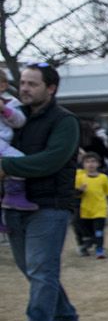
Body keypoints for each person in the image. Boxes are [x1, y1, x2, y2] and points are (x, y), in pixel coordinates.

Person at [1, 63, 84, 321]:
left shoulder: (65, 121)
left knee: (41, 268)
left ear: (51, 88)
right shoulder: (14, 116)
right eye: (23, 83)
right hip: (13, 205)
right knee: (32, 268)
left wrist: (6, 166)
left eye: (32, 84)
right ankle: (66, 317)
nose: (25, 88)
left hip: (50, 205)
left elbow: (51, 160)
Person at [1, 67, 38, 216]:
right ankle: (14, 195)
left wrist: (4, 110)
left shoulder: (11, 103)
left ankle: (13, 195)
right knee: (19, 160)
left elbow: (19, 121)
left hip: (4, 142)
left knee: (17, 161)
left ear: (3, 85)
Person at [74, 154, 108, 258]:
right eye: (87, 162)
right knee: (88, 233)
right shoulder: (79, 178)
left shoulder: (103, 178)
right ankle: (86, 245)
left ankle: (100, 250)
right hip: (85, 210)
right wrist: (80, 191)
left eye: (93, 161)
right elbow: (74, 195)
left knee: (99, 231)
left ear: (98, 164)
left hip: (100, 209)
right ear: (83, 165)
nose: (90, 164)